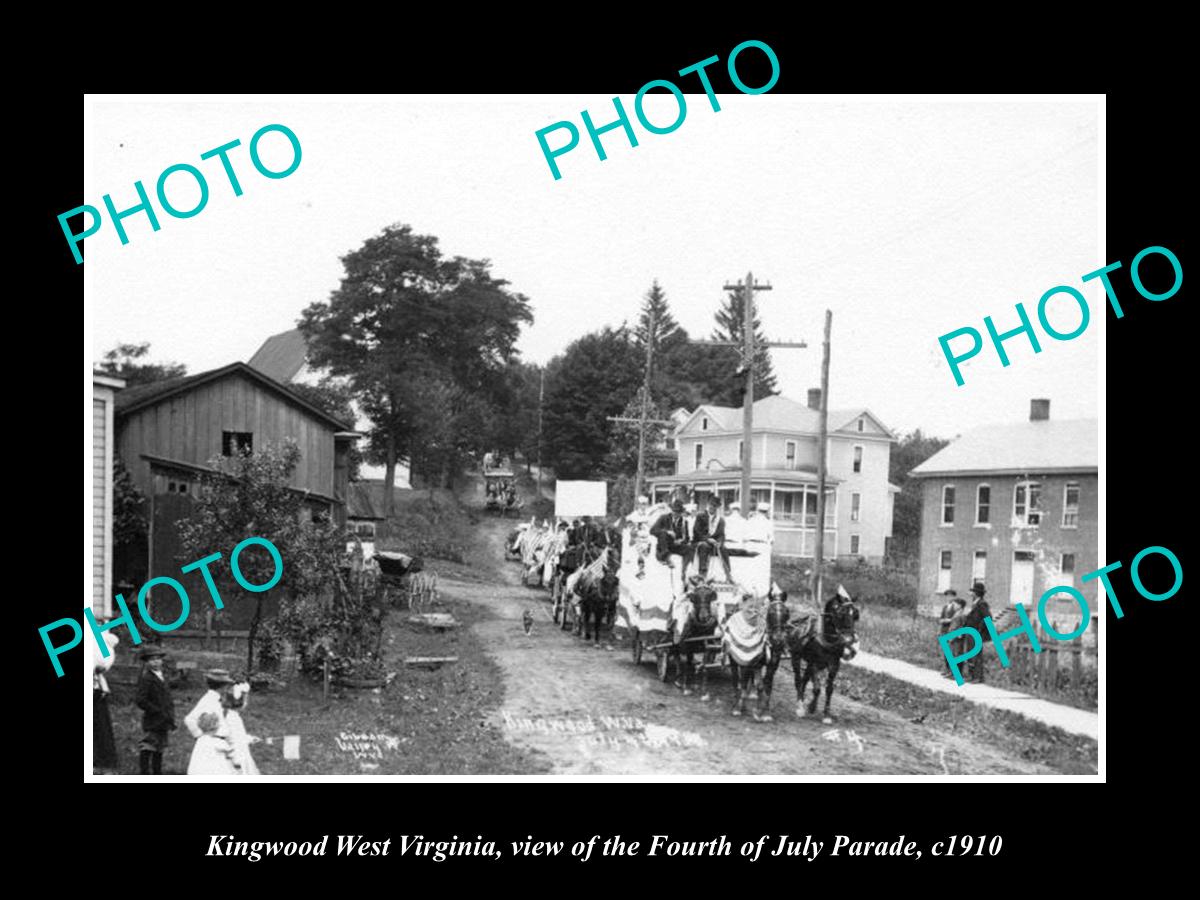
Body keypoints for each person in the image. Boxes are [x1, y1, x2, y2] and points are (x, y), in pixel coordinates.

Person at [135, 646, 176, 775]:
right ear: (146, 663)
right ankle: (145, 772)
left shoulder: (163, 676)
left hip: (164, 718)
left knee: (160, 747)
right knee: (148, 745)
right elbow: (141, 700)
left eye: (158, 659)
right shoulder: (147, 678)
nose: (156, 662)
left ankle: (157, 772)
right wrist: (155, 710)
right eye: (152, 660)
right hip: (153, 718)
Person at [91, 629, 120, 772]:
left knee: (100, 725)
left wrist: (100, 666)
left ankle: (101, 760)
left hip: (95, 688)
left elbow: (105, 658)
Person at [223, 681, 260, 776]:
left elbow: (238, 737)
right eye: (246, 700)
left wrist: (250, 739)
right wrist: (236, 760)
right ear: (241, 702)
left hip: (240, 752)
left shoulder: (233, 716)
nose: (246, 702)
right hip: (237, 756)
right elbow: (232, 740)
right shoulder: (232, 719)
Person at [693, 495, 732, 582]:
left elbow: (721, 534)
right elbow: (697, 532)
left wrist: (719, 542)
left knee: (723, 548)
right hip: (701, 541)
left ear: (717, 507)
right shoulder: (700, 516)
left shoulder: (720, 520)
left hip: (714, 543)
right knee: (704, 546)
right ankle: (702, 574)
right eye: (711, 505)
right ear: (708, 505)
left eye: (715, 506)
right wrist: (707, 539)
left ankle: (728, 574)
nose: (712, 507)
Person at [187, 711, 239, 776]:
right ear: (215, 726)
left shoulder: (200, 739)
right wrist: (237, 763)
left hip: (196, 770)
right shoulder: (218, 742)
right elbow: (231, 752)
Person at [961, 583, 992, 683]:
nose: (971, 594)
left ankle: (977, 677)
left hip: (976, 633)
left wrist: (979, 629)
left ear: (976, 593)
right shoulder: (976, 604)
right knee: (971, 654)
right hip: (971, 632)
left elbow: (988, 618)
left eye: (973, 592)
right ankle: (972, 675)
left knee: (976, 655)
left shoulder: (982, 604)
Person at [651, 498, 692, 571]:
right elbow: (652, 530)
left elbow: (687, 538)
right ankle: (666, 558)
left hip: (676, 546)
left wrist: (681, 541)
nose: (676, 514)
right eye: (674, 511)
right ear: (671, 510)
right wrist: (667, 532)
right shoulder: (663, 518)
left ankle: (684, 571)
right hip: (664, 546)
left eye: (678, 512)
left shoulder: (684, 522)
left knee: (689, 549)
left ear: (681, 512)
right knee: (663, 533)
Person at [937, 589, 966, 676]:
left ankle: (951, 670)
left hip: (952, 630)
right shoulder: (945, 607)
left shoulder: (956, 608)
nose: (949, 598)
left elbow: (957, 620)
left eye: (951, 596)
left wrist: (948, 620)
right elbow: (941, 618)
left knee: (953, 652)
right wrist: (940, 627)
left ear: (954, 597)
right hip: (945, 630)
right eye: (947, 596)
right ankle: (946, 669)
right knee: (946, 651)